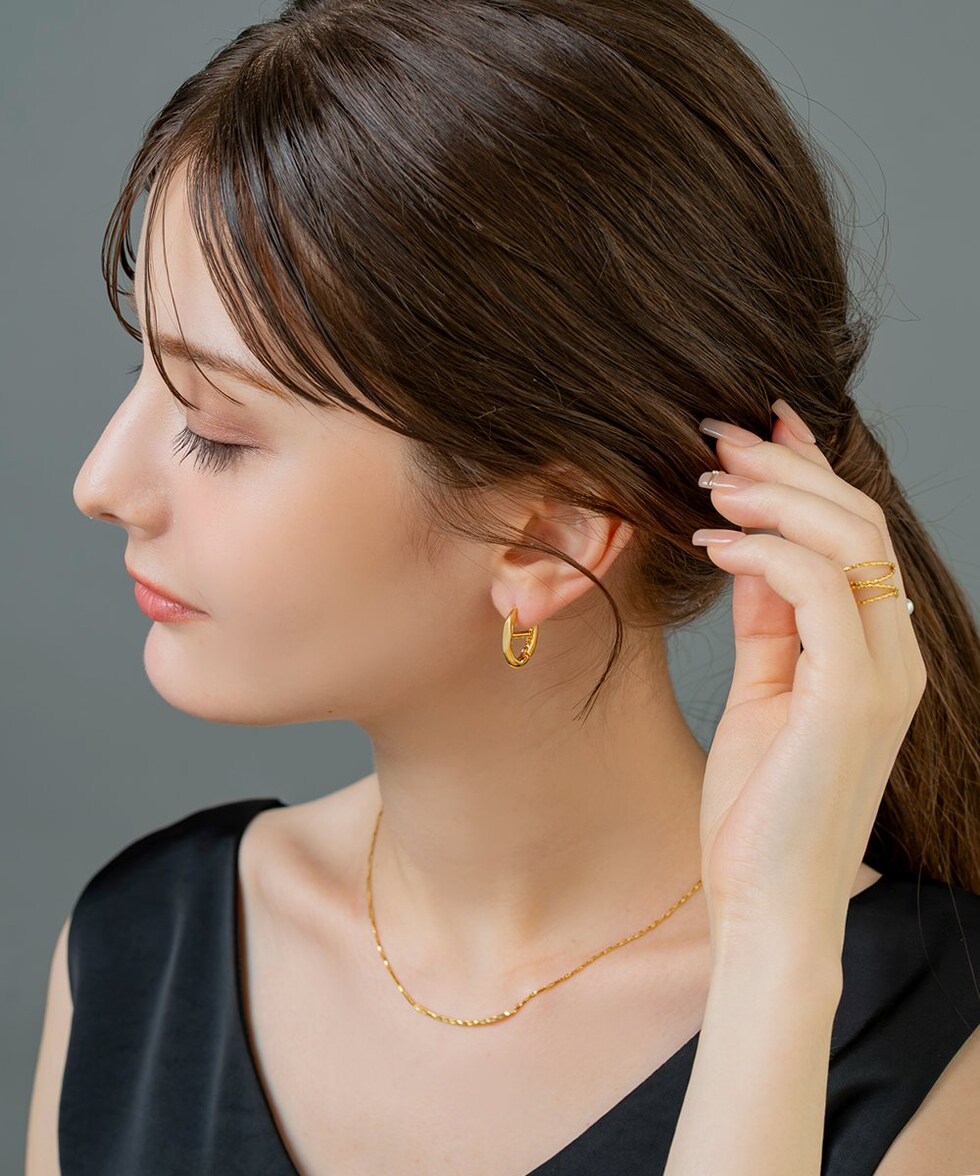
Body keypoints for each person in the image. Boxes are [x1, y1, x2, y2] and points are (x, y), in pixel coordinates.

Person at [25, 0, 980, 1173]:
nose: (101, 483)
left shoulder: (931, 1061)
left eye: (215, 428)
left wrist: (774, 956)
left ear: (548, 536)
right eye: (146, 373)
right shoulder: (135, 955)